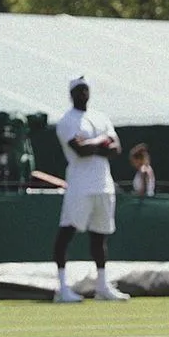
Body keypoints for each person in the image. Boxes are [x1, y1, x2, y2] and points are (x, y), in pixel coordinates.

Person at [51, 76, 130, 303]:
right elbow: (80, 151)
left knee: (100, 236)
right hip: (80, 186)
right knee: (67, 232)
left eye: (86, 89)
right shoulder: (67, 121)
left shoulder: (100, 117)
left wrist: (92, 143)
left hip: (103, 185)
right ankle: (62, 288)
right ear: (72, 94)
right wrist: (102, 140)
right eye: (79, 90)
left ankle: (102, 286)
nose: (83, 93)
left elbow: (116, 149)